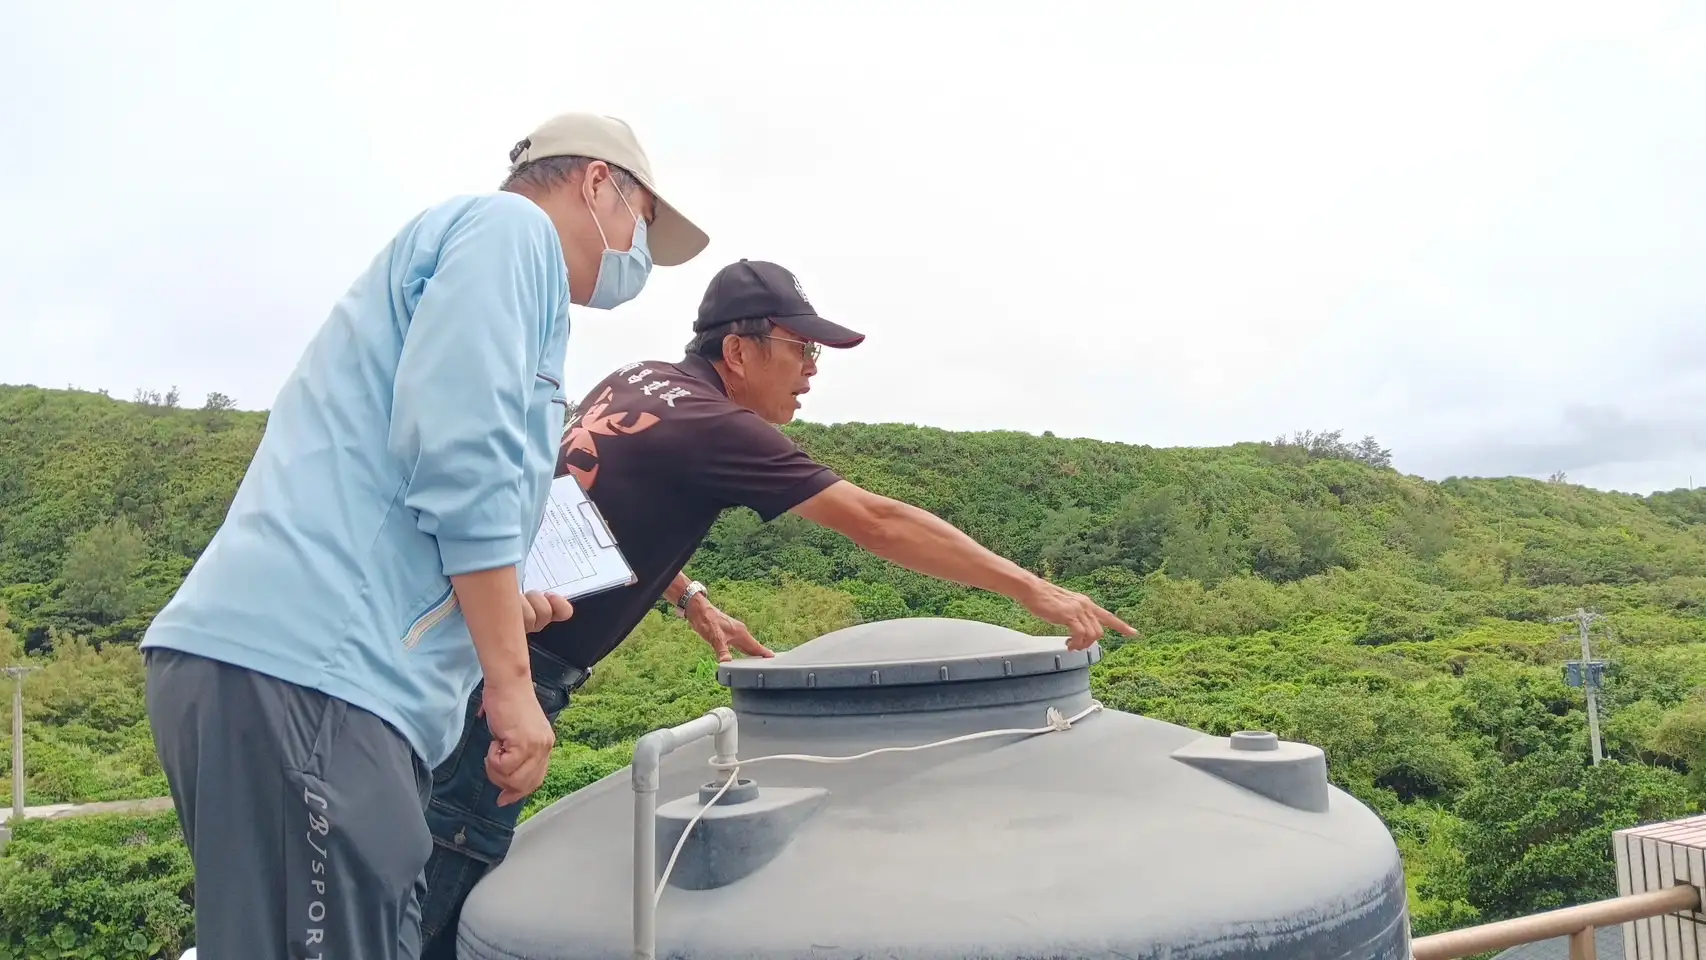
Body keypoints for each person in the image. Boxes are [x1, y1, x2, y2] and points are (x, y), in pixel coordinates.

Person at [419, 259, 1134, 957]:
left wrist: (689, 594)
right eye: (800, 348)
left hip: (465, 647)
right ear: (737, 349)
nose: (813, 367)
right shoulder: (716, 427)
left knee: (424, 865)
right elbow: (875, 520)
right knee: (443, 875)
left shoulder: (637, 383)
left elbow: (583, 503)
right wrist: (1034, 590)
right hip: (507, 679)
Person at [139, 111, 708, 960]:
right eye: (642, 225)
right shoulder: (512, 233)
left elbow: (412, 482)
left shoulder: (491, 263)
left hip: (299, 677)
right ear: (596, 183)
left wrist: (496, 601)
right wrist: (510, 685)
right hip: (319, 680)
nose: (636, 258)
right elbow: (459, 448)